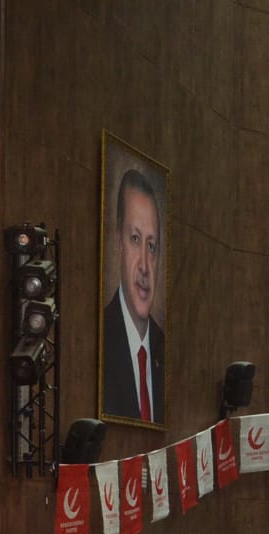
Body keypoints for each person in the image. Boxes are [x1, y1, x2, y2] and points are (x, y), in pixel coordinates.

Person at [101, 168, 165, 423]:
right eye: (135, 239)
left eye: (152, 246)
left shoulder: (164, 350)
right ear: (119, 242)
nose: (144, 266)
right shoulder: (100, 337)